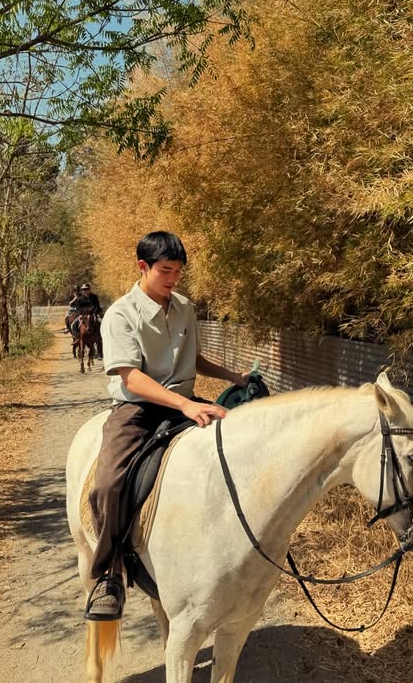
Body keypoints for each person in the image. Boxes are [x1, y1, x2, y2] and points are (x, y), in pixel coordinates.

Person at [85, 231, 248, 621]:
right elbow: (130, 377)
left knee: (241, 451)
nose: (173, 278)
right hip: (137, 411)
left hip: (183, 404)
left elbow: (194, 358)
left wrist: (233, 377)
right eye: (165, 271)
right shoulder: (121, 315)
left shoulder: (184, 307)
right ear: (143, 267)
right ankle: (108, 575)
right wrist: (185, 403)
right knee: (108, 483)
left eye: (178, 272)